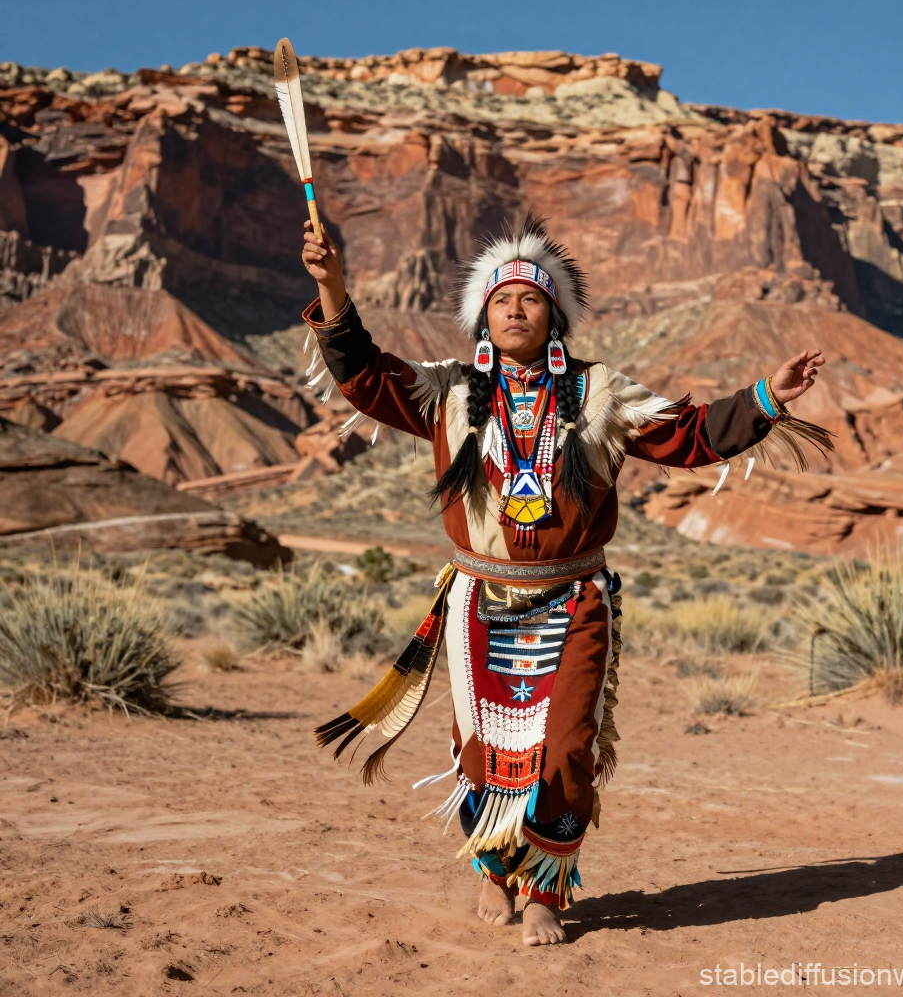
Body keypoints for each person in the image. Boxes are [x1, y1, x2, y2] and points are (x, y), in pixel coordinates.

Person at [300, 216, 830, 946]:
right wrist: (331, 285)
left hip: (574, 599)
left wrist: (769, 393)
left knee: (567, 745)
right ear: (482, 316)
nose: (515, 309)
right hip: (479, 600)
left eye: (531, 300)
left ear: (554, 318)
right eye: (501, 299)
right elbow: (362, 373)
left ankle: (546, 886)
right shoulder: (446, 392)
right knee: (481, 747)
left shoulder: (601, 393)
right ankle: (494, 868)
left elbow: (690, 434)